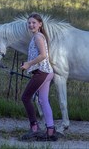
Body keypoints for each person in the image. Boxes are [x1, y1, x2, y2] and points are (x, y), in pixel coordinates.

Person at [20, 13, 58, 141]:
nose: (31, 25)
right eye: (29, 23)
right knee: (43, 100)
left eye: (34, 23)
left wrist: (28, 64)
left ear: (40, 24)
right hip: (46, 72)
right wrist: (27, 64)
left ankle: (34, 128)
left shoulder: (38, 37)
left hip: (42, 72)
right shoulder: (37, 36)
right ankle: (50, 130)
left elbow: (43, 56)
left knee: (25, 97)